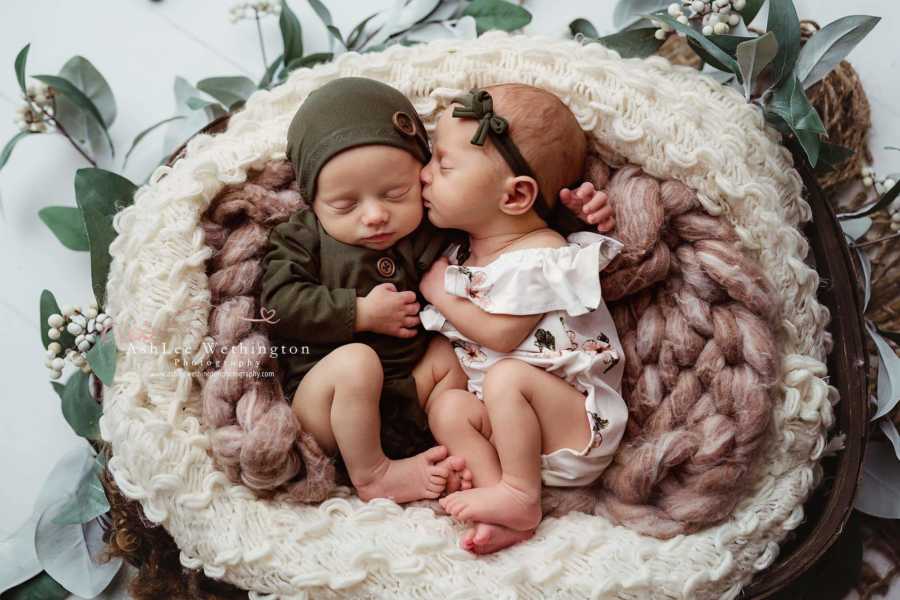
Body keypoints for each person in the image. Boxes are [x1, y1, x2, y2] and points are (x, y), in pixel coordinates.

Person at [418, 84, 627, 554]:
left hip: (573, 423)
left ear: (515, 197)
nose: (424, 176)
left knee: (509, 376)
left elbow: (503, 334)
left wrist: (439, 294)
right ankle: (506, 505)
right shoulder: (464, 255)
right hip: (515, 431)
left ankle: (518, 492)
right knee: (447, 407)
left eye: (444, 166)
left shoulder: (542, 255)